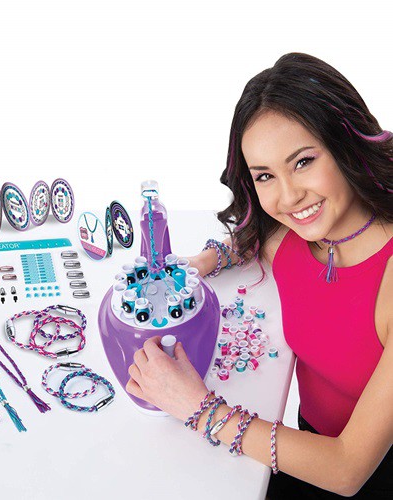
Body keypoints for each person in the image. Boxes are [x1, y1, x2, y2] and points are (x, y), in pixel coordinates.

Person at [126, 53, 392, 498]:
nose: (289, 197)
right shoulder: (292, 237)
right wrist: (199, 263)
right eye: (265, 175)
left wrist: (197, 407)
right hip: (299, 451)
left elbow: (347, 469)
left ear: (345, 142)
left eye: (303, 162)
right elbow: (252, 238)